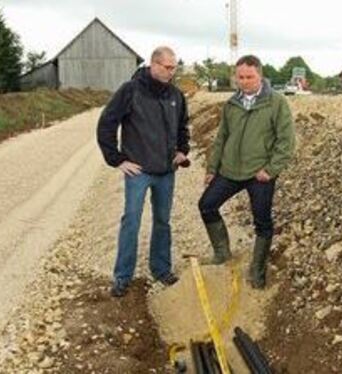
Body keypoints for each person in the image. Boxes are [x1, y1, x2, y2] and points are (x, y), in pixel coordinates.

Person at [97, 46, 189, 297]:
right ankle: (122, 276)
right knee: (132, 221)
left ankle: (161, 270)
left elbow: (183, 127)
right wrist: (117, 160)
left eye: (174, 67)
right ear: (154, 64)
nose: (172, 72)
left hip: (166, 172)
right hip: (138, 172)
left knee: (163, 222)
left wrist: (183, 150)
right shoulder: (131, 90)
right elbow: (106, 124)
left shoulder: (176, 95)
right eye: (168, 67)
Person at [198, 55, 295, 289]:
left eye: (249, 77)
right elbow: (221, 138)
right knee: (207, 205)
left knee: (262, 221)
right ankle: (222, 253)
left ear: (259, 75)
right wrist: (213, 168)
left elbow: (286, 141)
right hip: (230, 170)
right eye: (240, 77)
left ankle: (257, 271)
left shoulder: (276, 102)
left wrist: (271, 170)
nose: (244, 81)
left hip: (259, 173)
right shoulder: (232, 104)